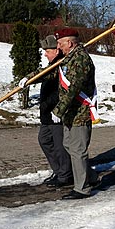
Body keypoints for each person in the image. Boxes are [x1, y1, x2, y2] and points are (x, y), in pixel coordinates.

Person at [19, 35, 73, 187]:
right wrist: (28, 78)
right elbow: (43, 72)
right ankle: (59, 170)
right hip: (47, 113)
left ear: (56, 50)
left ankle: (65, 175)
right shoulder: (53, 64)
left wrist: (31, 78)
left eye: (47, 51)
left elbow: (47, 74)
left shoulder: (62, 65)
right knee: (44, 140)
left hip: (56, 112)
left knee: (59, 145)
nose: (45, 54)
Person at [52, 28, 100, 200]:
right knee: (69, 145)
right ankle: (91, 177)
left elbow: (74, 88)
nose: (58, 47)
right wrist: (28, 79)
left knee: (78, 150)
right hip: (71, 113)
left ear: (70, 43)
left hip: (80, 112)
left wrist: (59, 109)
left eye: (60, 43)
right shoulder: (68, 57)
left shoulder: (80, 58)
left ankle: (82, 188)